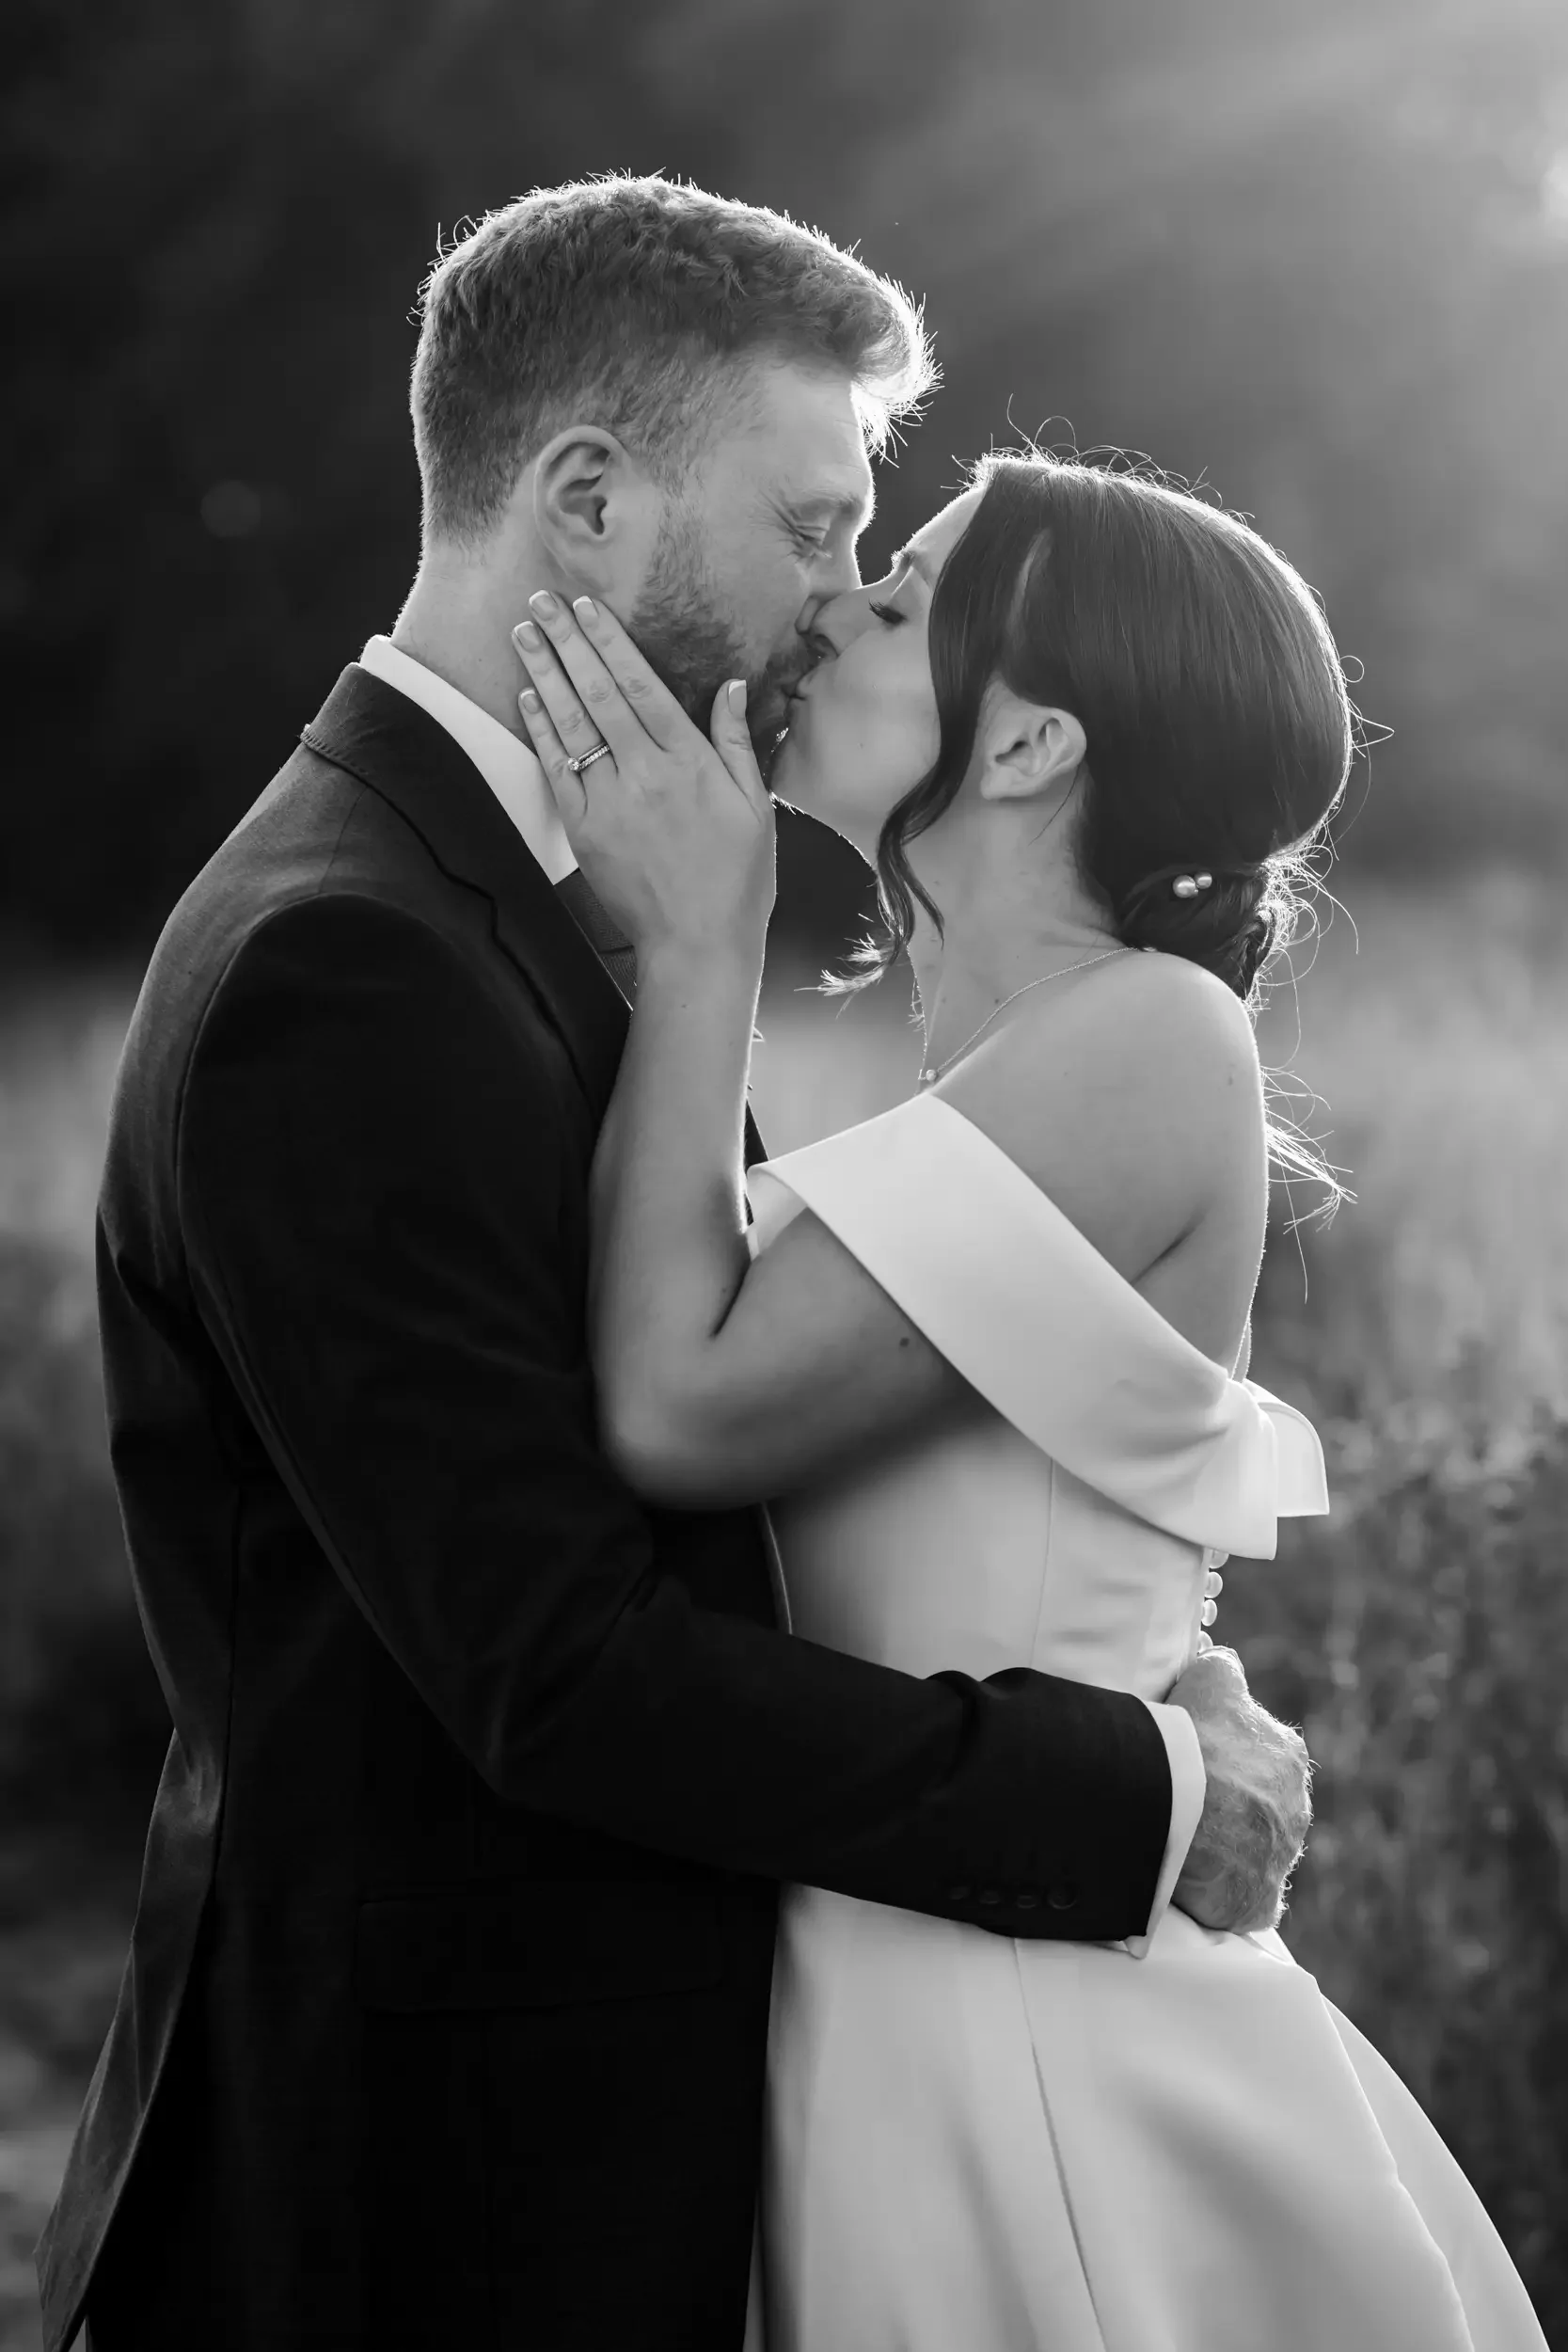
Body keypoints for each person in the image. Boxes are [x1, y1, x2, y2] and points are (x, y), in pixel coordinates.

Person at [37, 179, 1310, 2352]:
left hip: (665, 2122)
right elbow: (561, 1661)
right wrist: (1130, 1782)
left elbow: (711, 1485)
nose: (832, 601)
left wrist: (1120, 1648)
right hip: (418, 2197)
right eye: (816, 527)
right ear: (591, 499)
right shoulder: (346, 958)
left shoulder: (540, 902)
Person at [510, 450, 1550, 2350]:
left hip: (1027, 2043)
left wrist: (693, 945)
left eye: (897, 598)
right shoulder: (1014, 1069)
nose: (828, 607)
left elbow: (677, 1409)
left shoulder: (1150, 1033)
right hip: (886, 1988)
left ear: (1023, 747)